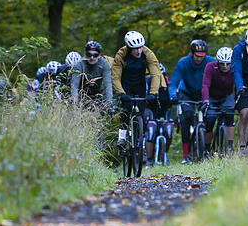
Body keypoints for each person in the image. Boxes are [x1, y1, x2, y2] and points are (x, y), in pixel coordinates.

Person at [111, 31, 162, 161]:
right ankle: (122, 137)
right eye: (135, 49)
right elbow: (115, 76)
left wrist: (153, 93)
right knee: (126, 110)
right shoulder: (121, 54)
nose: (138, 51)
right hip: (125, 83)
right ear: (129, 48)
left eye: (140, 47)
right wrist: (120, 93)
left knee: (142, 114)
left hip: (140, 84)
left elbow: (156, 74)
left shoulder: (148, 53)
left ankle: (141, 145)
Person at [169, 39, 216, 163]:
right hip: (187, 93)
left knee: (210, 118)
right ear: (191, 53)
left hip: (204, 93)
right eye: (197, 56)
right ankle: (185, 154)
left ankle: (206, 148)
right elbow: (173, 83)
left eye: (202, 56)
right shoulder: (183, 63)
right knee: (187, 116)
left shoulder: (210, 62)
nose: (199, 59)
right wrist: (173, 96)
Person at [202, 47, 235, 152]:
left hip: (227, 95)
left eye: (228, 64)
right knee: (210, 120)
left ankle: (229, 147)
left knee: (230, 116)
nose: (225, 66)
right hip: (212, 96)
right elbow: (205, 85)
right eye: (222, 64)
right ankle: (207, 148)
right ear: (218, 62)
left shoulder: (235, 67)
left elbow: (239, 83)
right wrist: (206, 101)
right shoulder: (210, 67)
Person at [145, 63, 175, 164]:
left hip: (166, 109)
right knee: (151, 131)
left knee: (169, 131)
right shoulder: (147, 82)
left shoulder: (168, 83)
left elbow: (173, 92)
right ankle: (149, 159)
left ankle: (164, 154)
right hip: (151, 110)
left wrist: (175, 98)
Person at [71, 41, 113, 109]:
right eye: (89, 54)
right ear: (85, 54)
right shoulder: (79, 64)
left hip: (98, 94)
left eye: (95, 55)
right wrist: (75, 102)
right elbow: (74, 85)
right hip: (82, 94)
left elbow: (108, 84)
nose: (92, 58)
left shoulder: (104, 64)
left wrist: (109, 102)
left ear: (99, 55)